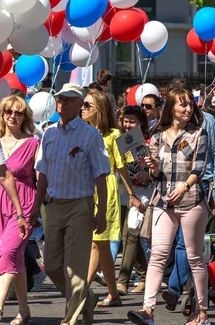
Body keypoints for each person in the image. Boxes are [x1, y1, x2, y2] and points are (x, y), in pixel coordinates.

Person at [127, 87, 210, 325]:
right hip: (163, 201)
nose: (187, 109)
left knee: (194, 256)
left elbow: (199, 168)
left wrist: (184, 187)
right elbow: (154, 174)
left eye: (190, 105)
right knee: (158, 254)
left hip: (191, 200)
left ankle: (202, 312)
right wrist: (152, 165)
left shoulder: (198, 134)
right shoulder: (158, 135)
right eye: (182, 104)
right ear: (171, 107)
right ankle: (148, 310)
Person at [30, 83, 110, 325]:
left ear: (79, 104)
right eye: (60, 99)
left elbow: (101, 175)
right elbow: (42, 174)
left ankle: (70, 320)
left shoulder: (90, 135)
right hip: (53, 206)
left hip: (80, 206)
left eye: (68, 99)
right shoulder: (50, 134)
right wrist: (35, 209)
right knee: (52, 267)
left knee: (75, 269)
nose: (62, 103)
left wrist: (102, 211)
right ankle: (86, 298)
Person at [161, 79, 215, 312]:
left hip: (202, 186)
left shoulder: (207, 122)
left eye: (188, 101)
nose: (186, 108)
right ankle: (180, 289)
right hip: (174, 188)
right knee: (181, 243)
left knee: (187, 243)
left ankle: (177, 289)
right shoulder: (167, 127)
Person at [81, 89, 136, 307]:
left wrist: (131, 194)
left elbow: (123, 167)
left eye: (88, 105)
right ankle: (113, 293)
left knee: (97, 242)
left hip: (106, 189)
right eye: (83, 105)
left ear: (100, 110)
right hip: (85, 189)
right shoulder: (81, 132)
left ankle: (81, 291)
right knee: (102, 246)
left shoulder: (114, 134)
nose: (83, 109)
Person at [0, 97, 35, 325]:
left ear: (24, 116)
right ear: (2, 113)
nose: (13, 116)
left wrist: (38, 208)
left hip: (23, 204)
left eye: (18, 113)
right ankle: (24, 310)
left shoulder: (32, 143)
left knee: (7, 252)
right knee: (14, 257)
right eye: (8, 111)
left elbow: (42, 175)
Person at [116, 106, 151, 296]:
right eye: (126, 121)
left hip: (142, 193)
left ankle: (122, 281)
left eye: (132, 121)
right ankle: (145, 277)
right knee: (132, 238)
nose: (128, 125)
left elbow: (154, 171)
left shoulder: (148, 143)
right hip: (123, 192)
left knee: (130, 234)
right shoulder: (119, 141)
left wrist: (147, 171)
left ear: (141, 123)